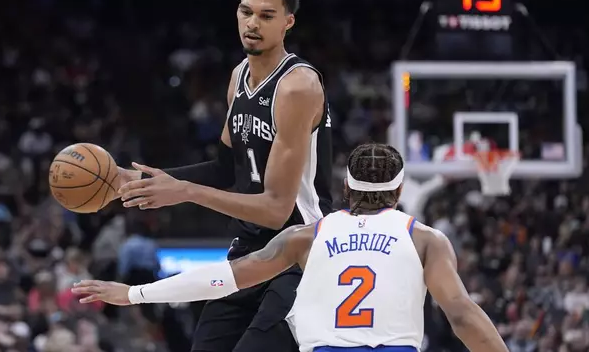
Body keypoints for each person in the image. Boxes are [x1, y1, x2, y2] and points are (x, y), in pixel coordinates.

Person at [74, 143, 509, 352]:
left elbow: (221, 279)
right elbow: (462, 316)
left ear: (344, 188)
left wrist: (133, 293)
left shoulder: (307, 236)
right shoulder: (424, 239)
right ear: (397, 192)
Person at [115, 0, 333, 352]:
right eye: (246, 11)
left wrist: (184, 191)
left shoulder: (298, 86)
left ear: (288, 23)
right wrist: (142, 180)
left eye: (267, 15)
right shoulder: (238, 77)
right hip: (250, 247)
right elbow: (222, 168)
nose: (252, 23)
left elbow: (276, 210)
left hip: (300, 249)